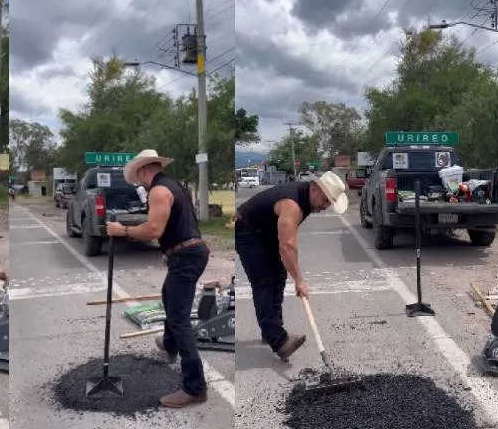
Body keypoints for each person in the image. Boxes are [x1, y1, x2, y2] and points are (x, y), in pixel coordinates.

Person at [106, 149, 210, 409]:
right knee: (168, 296)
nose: (139, 181)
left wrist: (123, 230)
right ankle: (169, 343)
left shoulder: (158, 191)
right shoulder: (176, 186)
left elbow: (154, 229)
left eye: (138, 176)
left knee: (179, 319)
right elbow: (182, 222)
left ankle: (195, 388)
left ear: (143, 170)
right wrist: (170, 250)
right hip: (188, 252)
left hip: (187, 256)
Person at [235, 171, 347, 362]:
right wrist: (299, 280)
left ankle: (271, 330)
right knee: (264, 282)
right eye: (326, 200)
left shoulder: (308, 199)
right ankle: (279, 342)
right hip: (247, 231)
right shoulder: (292, 204)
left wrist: (291, 273)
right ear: (315, 188)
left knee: (278, 276)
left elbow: (286, 243)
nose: (325, 206)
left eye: (330, 203)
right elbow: (288, 246)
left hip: (266, 233)